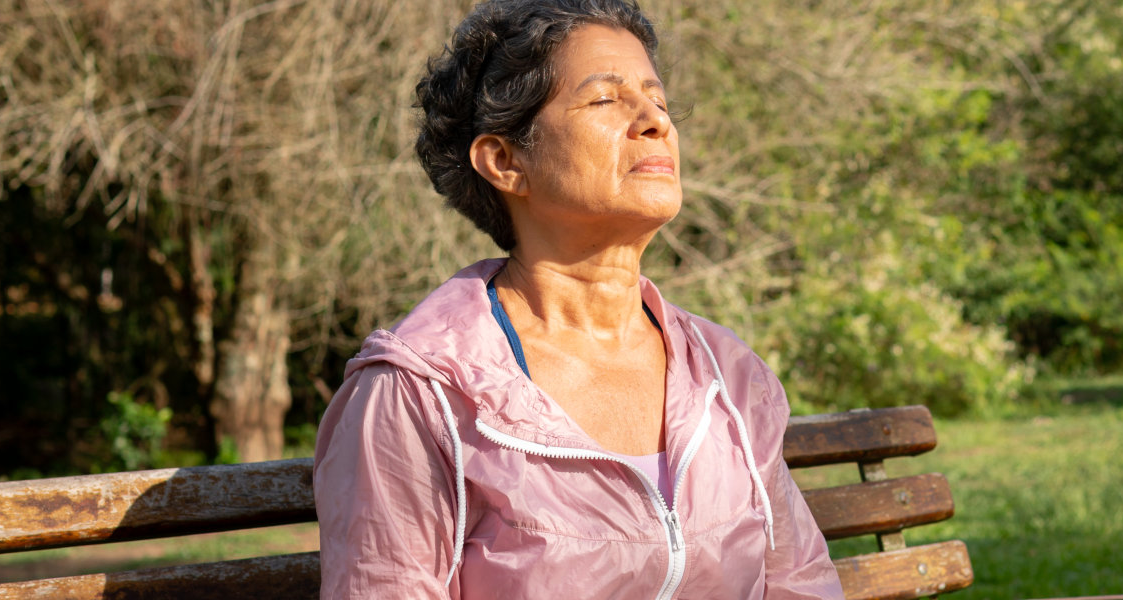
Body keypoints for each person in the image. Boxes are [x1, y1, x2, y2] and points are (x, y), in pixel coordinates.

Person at [310, 1, 846, 597]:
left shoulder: (727, 375)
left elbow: (799, 582)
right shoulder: (422, 392)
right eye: (604, 100)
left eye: (658, 100)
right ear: (506, 161)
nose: (654, 121)